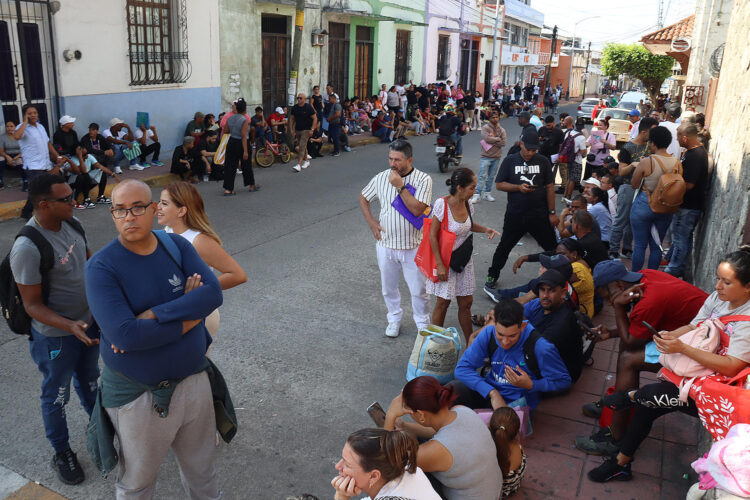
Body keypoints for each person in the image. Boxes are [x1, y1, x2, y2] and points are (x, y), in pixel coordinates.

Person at [85, 179, 228, 499]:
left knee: (203, 472)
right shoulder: (101, 267)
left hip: (193, 381)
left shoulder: (177, 246)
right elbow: (126, 335)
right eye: (120, 210)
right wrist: (190, 317)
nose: (129, 217)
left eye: (137, 207)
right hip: (138, 396)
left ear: (153, 210)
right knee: (137, 482)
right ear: (112, 215)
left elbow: (213, 294)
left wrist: (153, 315)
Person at [587, 248, 750, 482]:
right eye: (717, 279)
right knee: (649, 403)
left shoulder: (747, 322)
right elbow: (695, 325)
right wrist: (672, 336)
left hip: (719, 391)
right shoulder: (719, 298)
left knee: (650, 396)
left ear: (748, 287)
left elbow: (732, 367)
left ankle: (628, 403)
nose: (717, 287)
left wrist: (683, 348)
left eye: (726, 282)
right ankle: (621, 461)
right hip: (700, 373)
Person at [9, 174, 97, 486]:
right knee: (57, 395)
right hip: (56, 337)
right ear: (45, 205)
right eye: (67, 198)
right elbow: (32, 305)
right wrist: (69, 325)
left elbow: (90, 264)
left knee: (90, 382)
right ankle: (62, 451)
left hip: (87, 324)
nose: (74, 201)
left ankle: (100, 429)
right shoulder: (27, 248)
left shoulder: (73, 224)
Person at [574, 260, 707, 456]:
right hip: (692, 335)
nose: (610, 302)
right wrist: (611, 333)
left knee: (629, 359)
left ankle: (615, 438)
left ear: (620, 285)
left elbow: (631, 341)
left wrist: (619, 307)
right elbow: (635, 332)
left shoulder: (649, 301)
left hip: (702, 346)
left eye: (610, 296)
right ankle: (615, 403)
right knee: (627, 349)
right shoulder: (645, 275)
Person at [382, 376, 502, 500]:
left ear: (421, 415)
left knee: (403, 478)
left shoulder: (436, 450)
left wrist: (390, 416)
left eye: (407, 409)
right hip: (492, 492)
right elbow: (438, 430)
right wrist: (405, 426)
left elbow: (388, 461)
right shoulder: (462, 411)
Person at [360, 140, 432, 338]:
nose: (393, 164)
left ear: (409, 160)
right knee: (388, 288)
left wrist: (401, 187)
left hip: (413, 246)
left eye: (398, 160)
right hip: (385, 245)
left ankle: (422, 322)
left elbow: (418, 210)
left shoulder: (423, 179)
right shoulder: (381, 177)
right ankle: (394, 319)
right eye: (391, 159)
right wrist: (372, 222)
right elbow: (363, 198)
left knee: (419, 290)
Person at [157, 181, 247, 337]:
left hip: (199, 315)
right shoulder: (168, 230)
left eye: (164, 203)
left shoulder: (199, 240)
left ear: (181, 211)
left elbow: (238, 275)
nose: (157, 207)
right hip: (177, 311)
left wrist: (201, 289)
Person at [453, 298, 572, 410]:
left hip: (517, 404)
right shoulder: (488, 334)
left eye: (512, 336)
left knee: (495, 427)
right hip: (489, 391)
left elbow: (563, 381)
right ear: (493, 324)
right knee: (448, 392)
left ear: (523, 326)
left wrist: (532, 384)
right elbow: (462, 369)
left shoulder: (541, 347)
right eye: (500, 335)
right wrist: (492, 393)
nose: (505, 342)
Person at [427, 168, 501, 342]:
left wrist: (485, 229)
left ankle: (471, 343)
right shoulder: (442, 204)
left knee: (466, 304)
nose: (474, 191)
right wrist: (439, 264)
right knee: (443, 303)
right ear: (459, 187)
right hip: (445, 262)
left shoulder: (468, 204)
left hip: (463, 261)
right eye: (472, 188)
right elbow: (432, 235)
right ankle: (433, 346)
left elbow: (468, 226)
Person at [484, 130, 559, 292]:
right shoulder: (510, 161)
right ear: (521, 144)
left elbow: (550, 188)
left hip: (539, 215)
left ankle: (559, 276)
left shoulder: (543, 162)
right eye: (528, 149)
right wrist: (518, 187)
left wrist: (552, 213)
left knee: (554, 248)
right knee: (504, 247)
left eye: (534, 150)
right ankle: (492, 275)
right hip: (515, 216)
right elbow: (499, 184)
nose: (531, 153)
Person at [331, 428, 440, 500]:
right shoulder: (404, 467)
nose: (338, 466)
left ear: (374, 476)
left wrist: (341, 496)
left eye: (347, 464)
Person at [629, 126, 680, 271]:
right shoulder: (677, 163)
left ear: (653, 143)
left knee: (639, 245)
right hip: (665, 207)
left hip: (644, 204)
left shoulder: (648, 162)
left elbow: (634, 184)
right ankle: (652, 277)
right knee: (657, 246)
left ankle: (636, 277)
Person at [664, 123, 709, 278]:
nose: (677, 141)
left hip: (688, 206)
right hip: (689, 205)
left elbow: (689, 184)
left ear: (685, 137)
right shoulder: (693, 153)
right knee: (683, 237)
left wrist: (671, 187)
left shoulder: (695, 156)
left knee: (680, 238)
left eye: (678, 138)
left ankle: (674, 268)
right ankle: (678, 266)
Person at [609, 116, 658, 259]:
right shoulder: (627, 148)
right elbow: (621, 172)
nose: (654, 135)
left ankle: (626, 248)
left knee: (634, 220)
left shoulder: (653, 146)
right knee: (621, 219)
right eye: (652, 131)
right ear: (644, 132)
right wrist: (633, 165)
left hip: (645, 189)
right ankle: (613, 250)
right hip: (628, 186)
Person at [523, 269, 583, 381]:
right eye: (542, 290)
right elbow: (515, 314)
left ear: (563, 294)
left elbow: (534, 351)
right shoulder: (539, 304)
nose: (545, 295)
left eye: (551, 291)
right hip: (538, 356)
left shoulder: (563, 323)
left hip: (558, 374)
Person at [14, 104, 66, 219]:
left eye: (35, 113)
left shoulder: (40, 127)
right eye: (30, 113)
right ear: (25, 115)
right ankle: (36, 214)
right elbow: (17, 136)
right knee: (38, 191)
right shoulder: (20, 128)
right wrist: (24, 122)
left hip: (45, 163)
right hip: (33, 166)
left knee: (40, 190)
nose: (33, 115)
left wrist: (57, 156)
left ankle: (27, 212)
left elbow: (48, 143)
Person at [222, 98, 259, 195]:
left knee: (230, 166)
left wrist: (234, 130)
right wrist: (245, 151)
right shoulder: (244, 120)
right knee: (246, 166)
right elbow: (243, 136)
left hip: (231, 142)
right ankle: (251, 185)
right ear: (245, 109)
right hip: (242, 143)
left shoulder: (230, 118)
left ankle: (228, 189)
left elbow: (226, 131)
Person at [490, 407, 526, 498]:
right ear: (516, 432)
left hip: (500, 491)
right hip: (513, 486)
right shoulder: (519, 446)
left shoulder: (489, 453)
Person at [472, 111, 506, 204]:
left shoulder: (501, 130)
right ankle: (477, 195)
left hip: (496, 156)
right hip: (485, 156)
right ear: (489, 118)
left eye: (496, 117)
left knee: (491, 177)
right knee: (482, 176)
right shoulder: (485, 128)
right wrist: (497, 139)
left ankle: (487, 194)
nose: (495, 119)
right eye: (493, 117)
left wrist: (493, 141)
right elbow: (486, 139)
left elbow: (504, 143)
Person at [290, 93, 317, 171]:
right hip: (298, 129)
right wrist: (291, 129)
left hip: (306, 130)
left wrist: (312, 129)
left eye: (300, 98)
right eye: (298, 98)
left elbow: (315, 118)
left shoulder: (308, 107)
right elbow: (292, 119)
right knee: (303, 146)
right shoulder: (295, 108)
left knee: (301, 146)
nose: (298, 99)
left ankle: (299, 164)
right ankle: (307, 161)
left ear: (304, 99)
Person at [561, 116, 586, 199]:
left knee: (569, 177)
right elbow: (583, 152)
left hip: (568, 158)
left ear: (575, 124)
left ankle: (565, 194)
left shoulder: (569, 133)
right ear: (583, 126)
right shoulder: (581, 137)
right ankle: (568, 196)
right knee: (573, 180)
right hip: (576, 160)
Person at [1, 119, 25, 190]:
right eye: (7, 126)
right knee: (0, 159)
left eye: (11, 126)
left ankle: (25, 182)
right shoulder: (2, 137)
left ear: (15, 127)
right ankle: (0, 182)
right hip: (7, 155)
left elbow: (24, 149)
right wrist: (8, 157)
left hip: (18, 155)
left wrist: (15, 158)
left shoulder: (19, 136)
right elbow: (1, 151)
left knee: (20, 162)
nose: (9, 128)